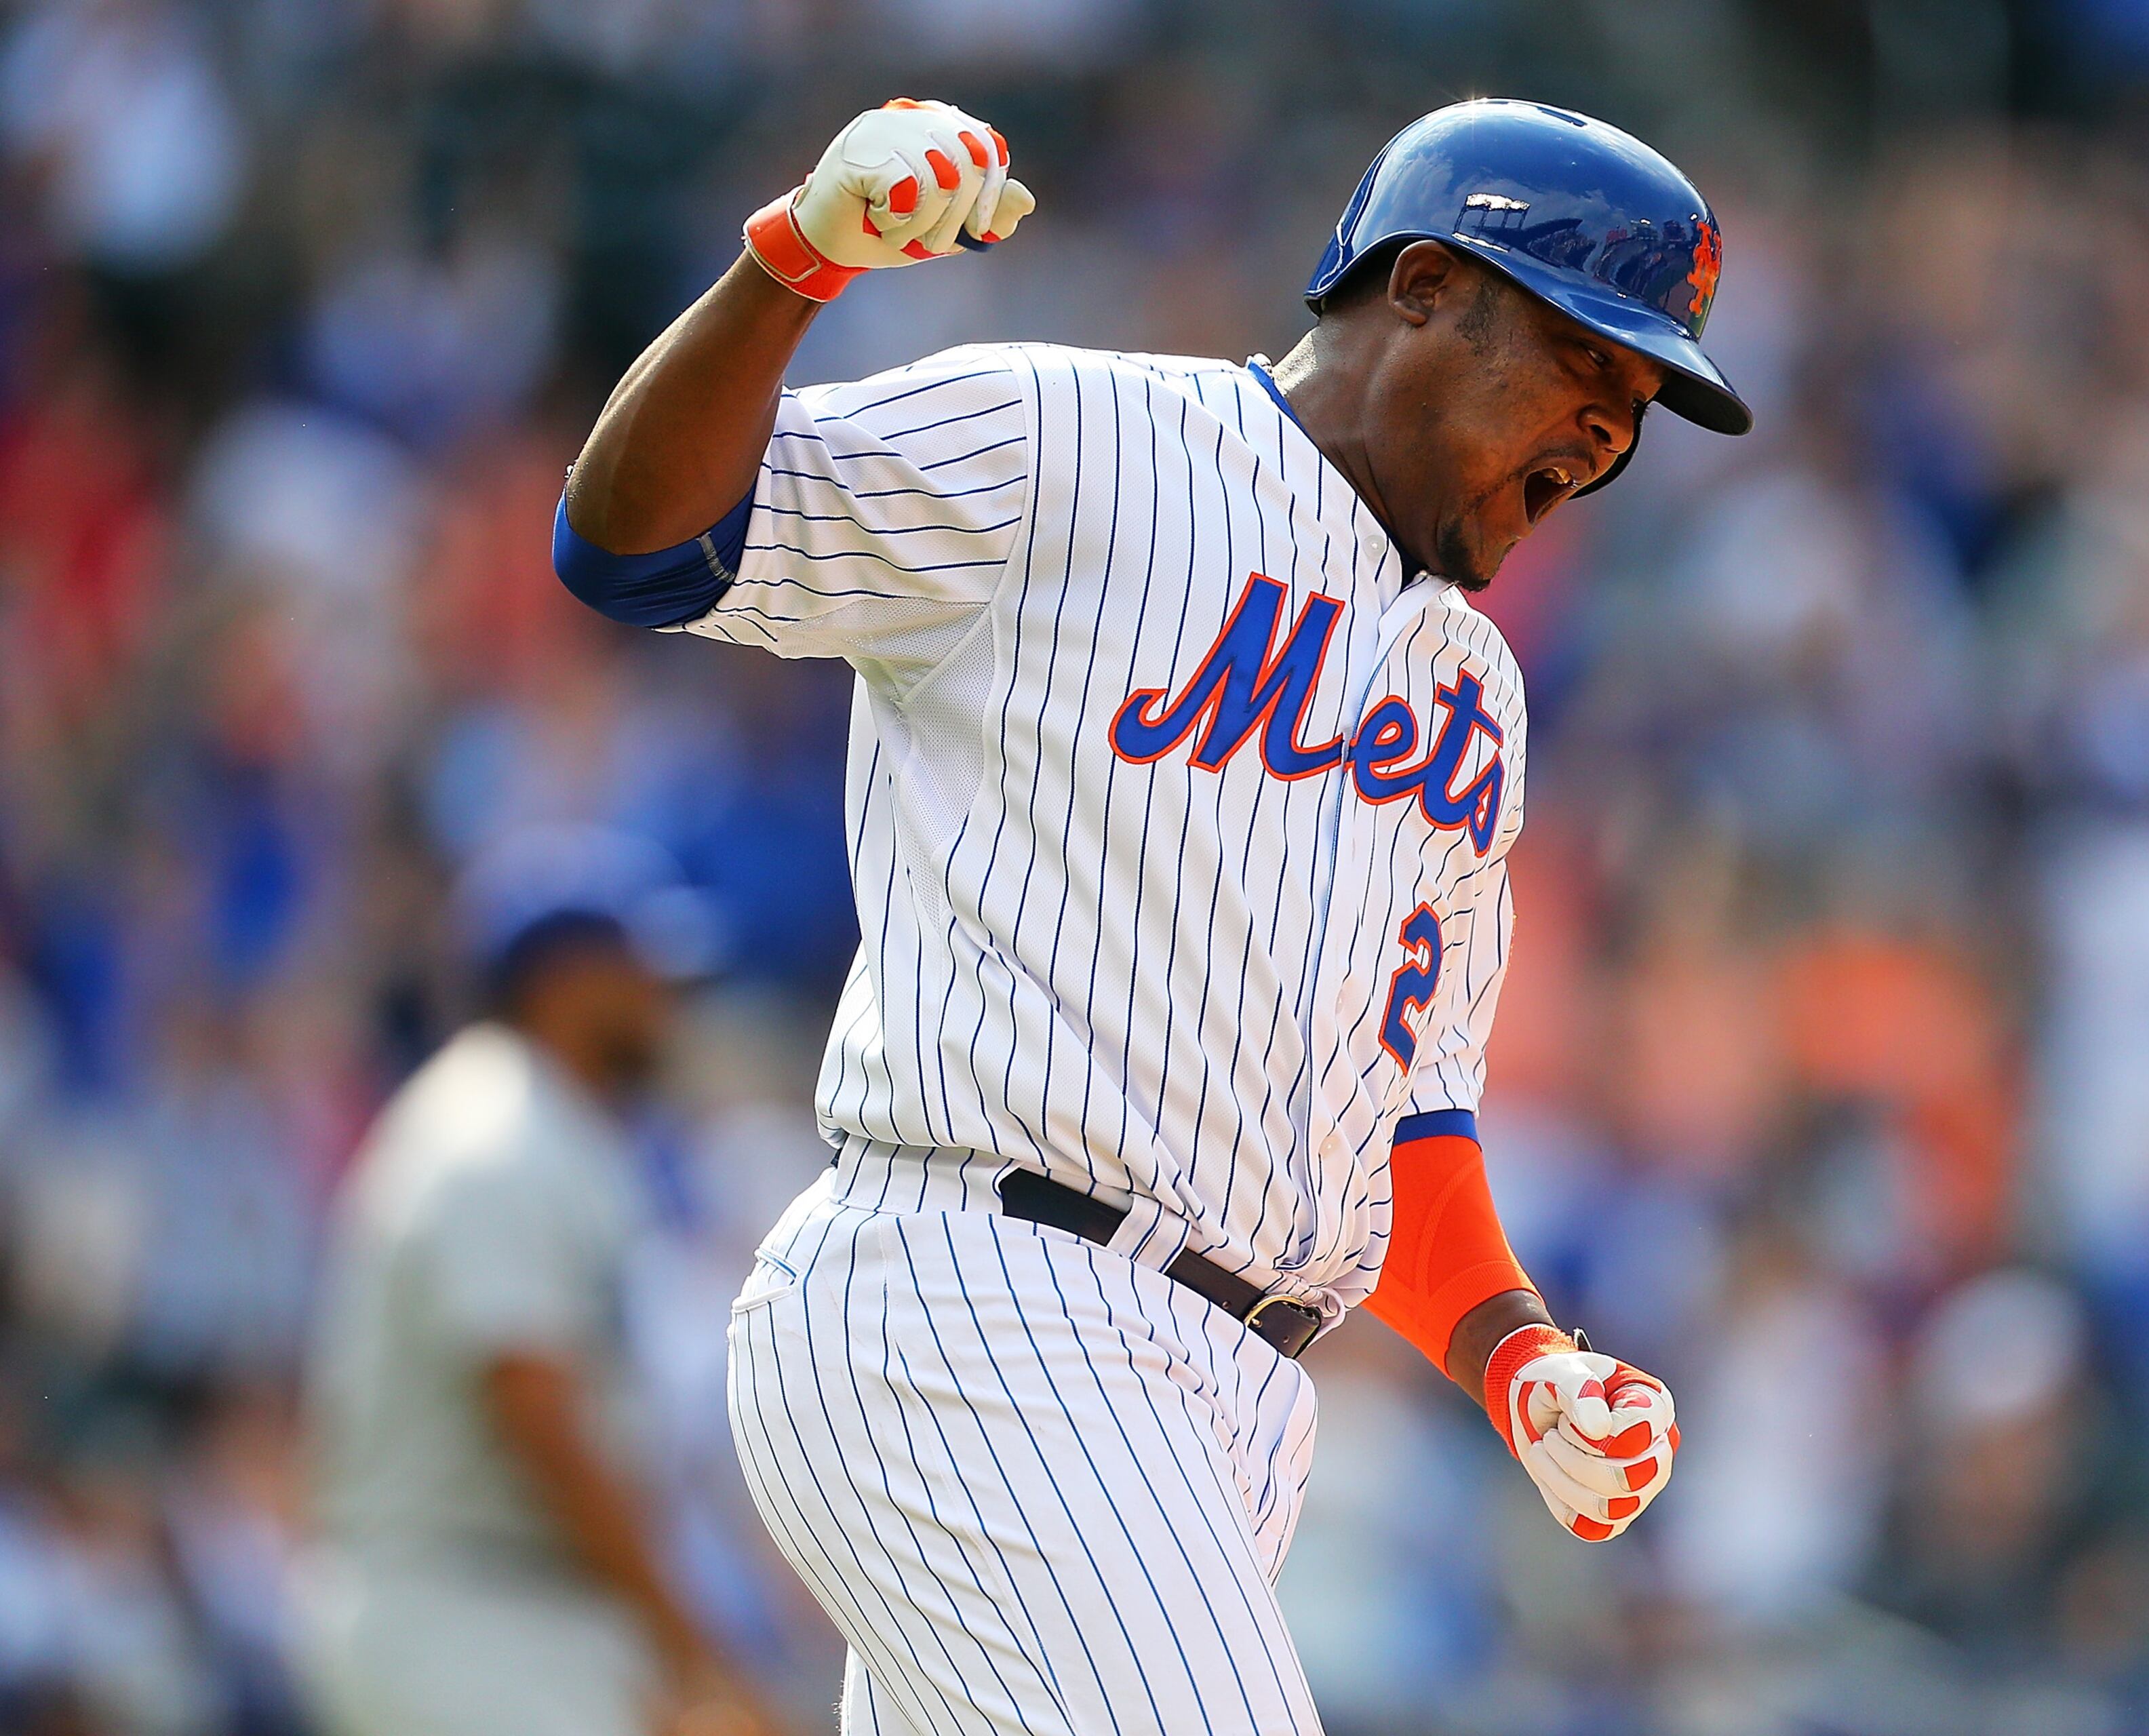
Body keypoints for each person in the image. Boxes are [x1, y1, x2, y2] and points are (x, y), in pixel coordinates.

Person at [554, 95, 1749, 1733]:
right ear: (1418, 285)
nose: (1608, 435)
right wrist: (795, 261)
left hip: (1226, 1409)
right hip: (980, 1306)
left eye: (1638, 406)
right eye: (1583, 365)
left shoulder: (1477, 688)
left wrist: (1514, 1355)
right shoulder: (1081, 442)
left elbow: (1402, 1122)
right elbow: (636, 543)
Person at [295, 831, 781, 1736]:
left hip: (519, 1609)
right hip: (464, 1604)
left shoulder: (554, 1129)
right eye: (641, 969)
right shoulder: (498, 1136)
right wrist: (693, 1653)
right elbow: (538, 1417)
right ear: (563, 980)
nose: (665, 1000)